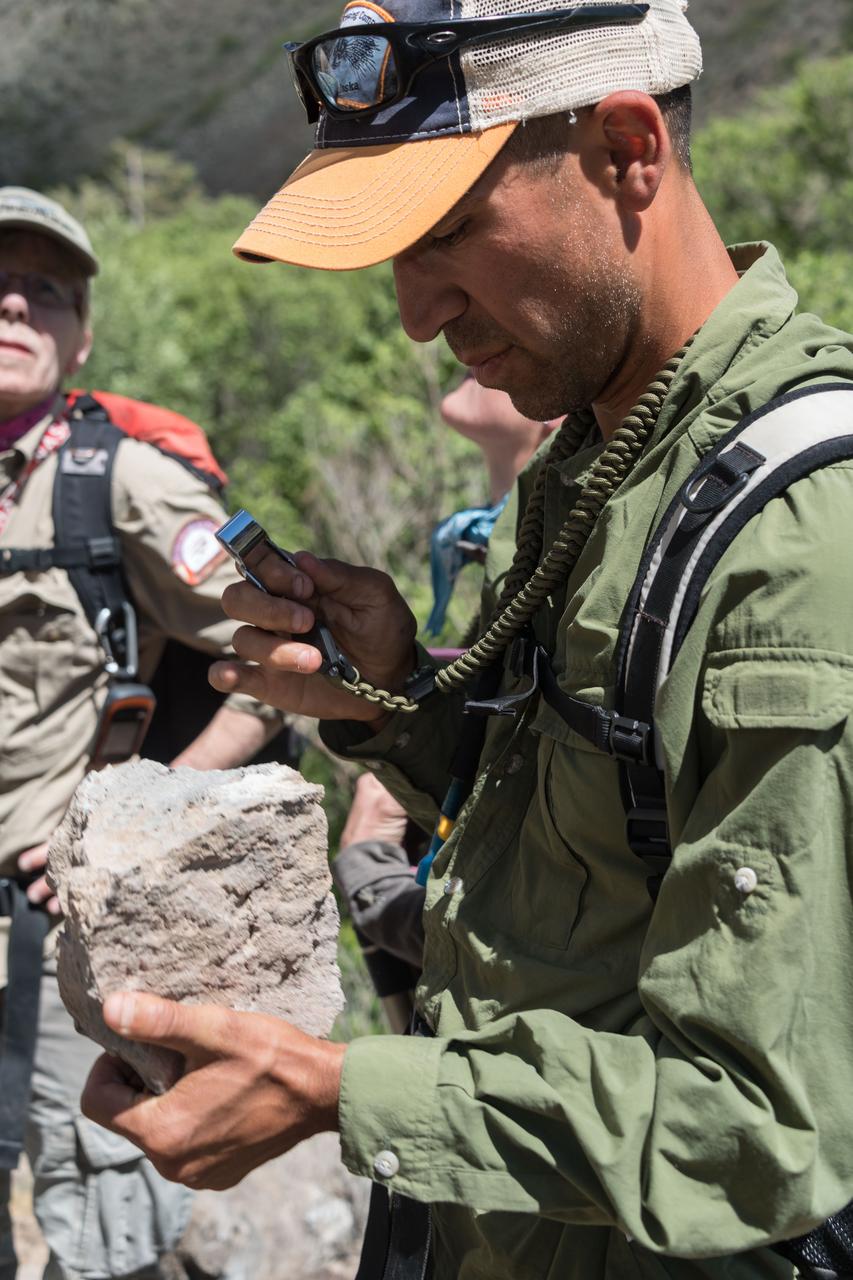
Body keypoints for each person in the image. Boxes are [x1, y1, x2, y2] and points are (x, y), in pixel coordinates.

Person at [81, 3, 853, 1278]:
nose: (414, 314)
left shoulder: (799, 534)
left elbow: (759, 1129)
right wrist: (392, 691)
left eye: (444, 235)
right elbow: (599, 835)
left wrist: (339, 1091)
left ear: (626, 148)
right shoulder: (599, 451)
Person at [0, 187, 287, 1280]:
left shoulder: (121, 478)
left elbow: (278, 657)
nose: (15, 306)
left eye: (47, 293)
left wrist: (142, 809)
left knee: (99, 1223)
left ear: (81, 335)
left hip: (64, 942)